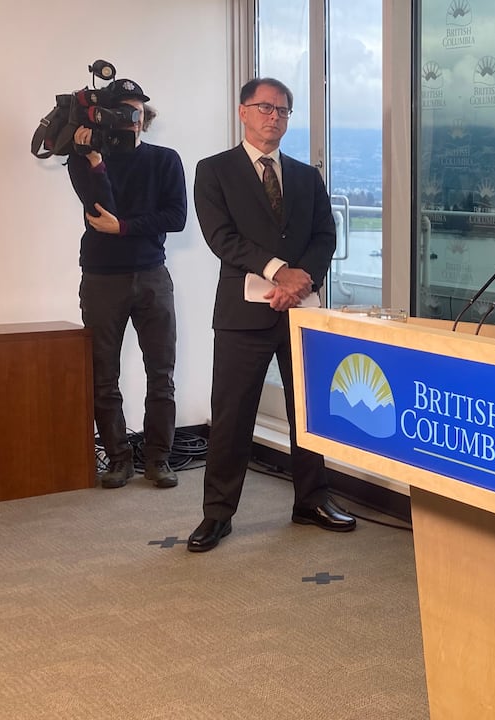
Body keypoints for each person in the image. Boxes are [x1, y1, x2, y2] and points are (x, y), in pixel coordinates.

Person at [189, 77, 356, 553]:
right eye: (265, 108)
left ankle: (312, 500)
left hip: (302, 312)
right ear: (243, 112)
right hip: (243, 314)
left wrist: (302, 278)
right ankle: (217, 514)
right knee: (232, 415)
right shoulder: (213, 171)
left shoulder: (306, 176)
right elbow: (222, 237)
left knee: (308, 410)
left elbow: (325, 235)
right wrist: (280, 272)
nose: (274, 117)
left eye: (283, 111)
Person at [66, 78, 187, 489]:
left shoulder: (165, 159)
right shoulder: (83, 160)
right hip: (101, 278)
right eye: (122, 112)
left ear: (145, 119)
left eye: (137, 113)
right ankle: (118, 459)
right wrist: (96, 160)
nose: (130, 121)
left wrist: (125, 228)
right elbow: (101, 213)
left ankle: (159, 459)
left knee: (162, 372)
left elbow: (176, 218)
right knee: (103, 374)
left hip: (153, 274)